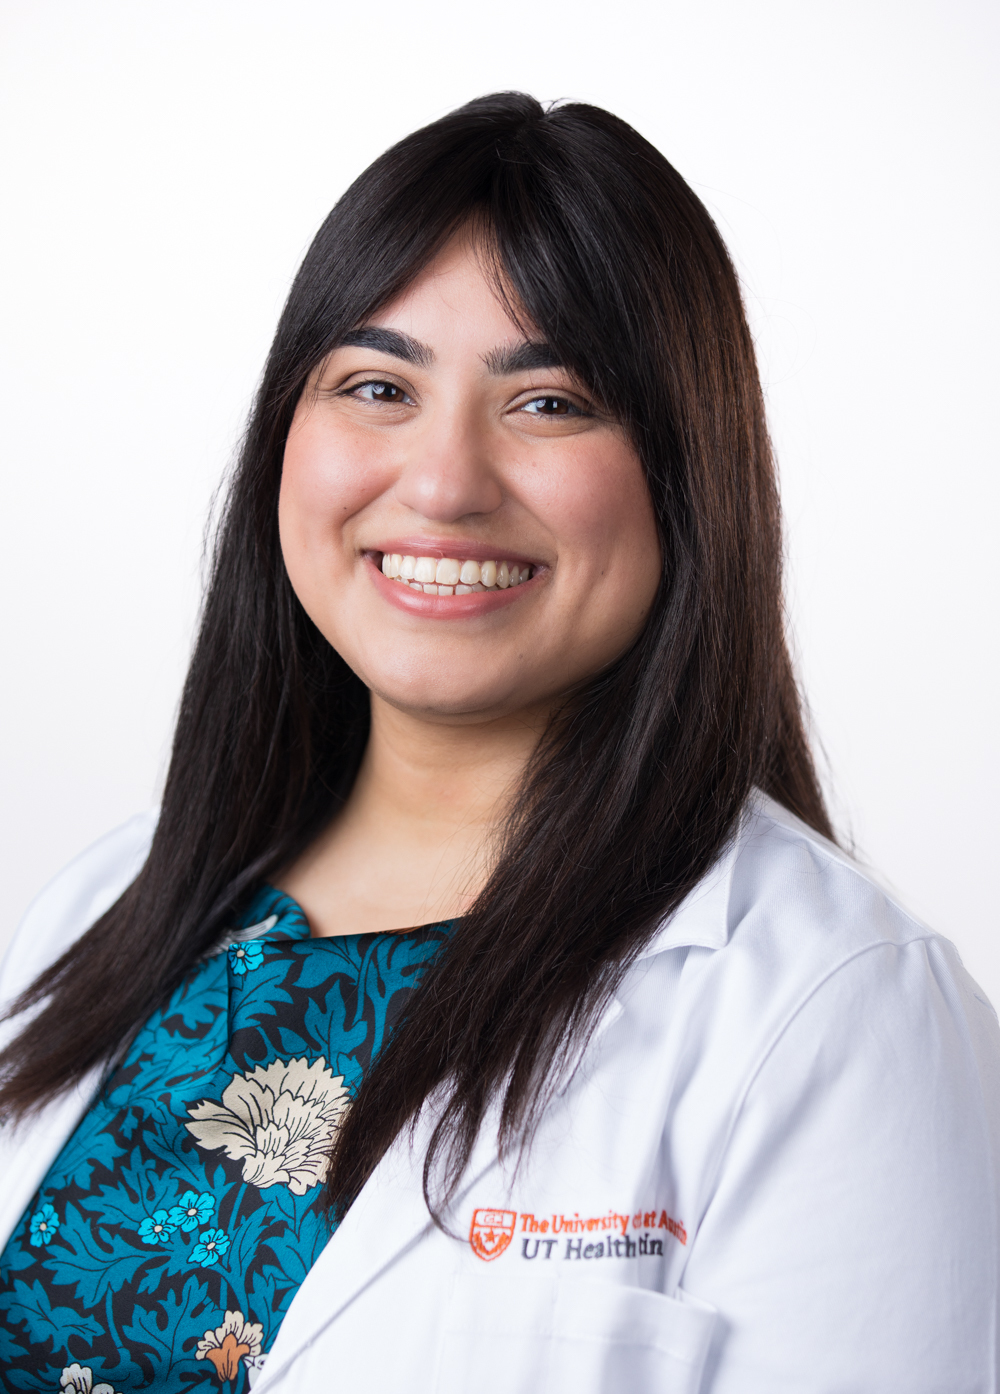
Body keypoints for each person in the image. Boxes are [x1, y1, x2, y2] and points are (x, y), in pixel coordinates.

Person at [0, 92, 996, 1394]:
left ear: (686, 471)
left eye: (549, 403)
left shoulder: (838, 1012)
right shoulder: (116, 901)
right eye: (376, 386)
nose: (445, 479)